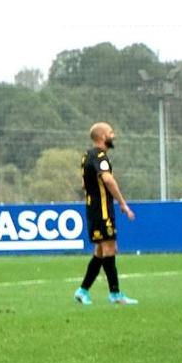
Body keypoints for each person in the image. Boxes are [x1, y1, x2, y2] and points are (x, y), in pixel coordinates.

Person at [74, 121, 136, 306]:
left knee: (101, 251)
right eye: (110, 132)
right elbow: (107, 179)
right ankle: (115, 294)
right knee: (109, 249)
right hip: (102, 211)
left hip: (93, 209)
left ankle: (83, 290)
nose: (113, 135)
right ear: (102, 137)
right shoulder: (100, 156)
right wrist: (123, 203)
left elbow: (84, 184)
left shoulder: (87, 156)